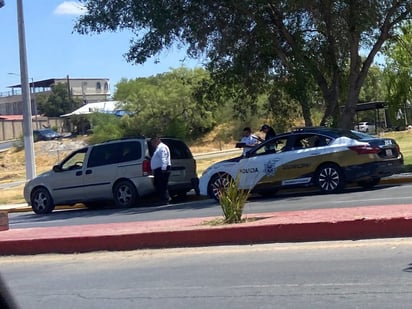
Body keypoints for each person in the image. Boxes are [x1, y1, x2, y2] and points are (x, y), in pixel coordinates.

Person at [150, 137, 172, 205]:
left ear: (156, 141)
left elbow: (164, 158)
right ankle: (164, 198)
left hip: (162, 169)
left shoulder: (162, 148)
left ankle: (165, 199)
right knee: (157, 184)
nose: (152, 145)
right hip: (158, 169)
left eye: (152, 143)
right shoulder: (158, 148)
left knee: (162, 184)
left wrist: (163, 168)